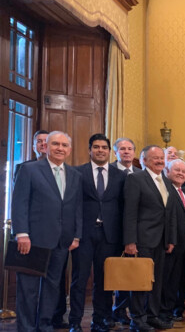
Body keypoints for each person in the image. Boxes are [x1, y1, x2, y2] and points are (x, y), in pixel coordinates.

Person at [12, 131, 82, 332]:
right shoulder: (29, 170)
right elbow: (20, 203)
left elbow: (77, 207)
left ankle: (44, 325)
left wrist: (76, 235)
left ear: (69, 150)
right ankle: (26, 327)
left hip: (62, 241)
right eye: (55, 144)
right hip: (33, 240)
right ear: (46, 147)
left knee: (52, 287)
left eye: (64, 145)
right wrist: (22, 233)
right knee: (28, 288)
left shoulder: (75, 175)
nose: (60, 148)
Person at [69, 134, 126, 332]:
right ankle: (75, 321)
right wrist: (74, 233)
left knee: (105, 281)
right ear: (89, 150)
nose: (100, 150)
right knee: (80, 279)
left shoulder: (120, 175)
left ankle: (100, 320)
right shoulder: (77, 173)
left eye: (104, 147)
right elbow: (73, 205)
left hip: (110, 236)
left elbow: (123, 207)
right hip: (84, 235)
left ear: (109, 151)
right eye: (96, 147)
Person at [123, 145, 177, 331]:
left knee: (157, 280)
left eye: (162, 158)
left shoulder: (167, 182)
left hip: (161, 241)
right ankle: (137, 319)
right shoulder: (135, 179)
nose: (160, 161)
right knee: (140, 280)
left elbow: (168, 213)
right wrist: (130, 241)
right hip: (142, 240)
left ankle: (152, 316)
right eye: (155, 158)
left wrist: (170, 239)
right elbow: (129, 213)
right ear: (144, 160)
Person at [160, 159, 185, 323]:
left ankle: (167, 312)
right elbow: (167, 219)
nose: (181, 173)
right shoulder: (166, 189)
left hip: (182, 245)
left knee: (174, 282)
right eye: (177, 170)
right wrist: (170, 241)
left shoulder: (184, 192)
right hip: (169, 245)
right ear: (167, 171)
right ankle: (161, 313)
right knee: (165, 281)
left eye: (183, 171)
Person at [111, 137, 140, 324]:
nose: (126, 152)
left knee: (132, 272)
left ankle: (126, 309)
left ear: (135, 153)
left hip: (136, 231)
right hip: (112, 230)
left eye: (130, 149)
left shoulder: (139, 173)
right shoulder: (109, 172)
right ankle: (113, 311)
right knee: (115, 272)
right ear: (116, 152)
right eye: (122, 149)